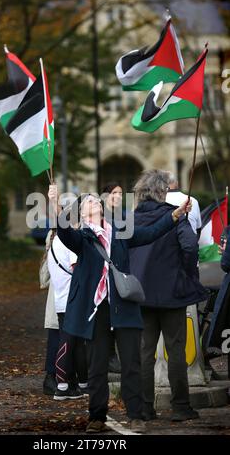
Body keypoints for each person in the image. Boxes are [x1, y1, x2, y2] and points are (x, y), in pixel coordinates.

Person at [48, 182, 192, 434]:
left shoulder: (120, 232)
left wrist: (175, 215)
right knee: (97, 367)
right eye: (88, 201)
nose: (93, 201)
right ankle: (97, 416)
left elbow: (150, 233)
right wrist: (54, 202)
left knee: (132, 364)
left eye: (95, 199)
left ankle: (136, 415)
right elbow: (63, 231)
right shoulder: (81, 238)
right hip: (96, 312)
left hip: (123, 307)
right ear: (81, 213)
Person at [129, 169, 208, 422]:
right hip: (173, 291)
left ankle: (144, 408)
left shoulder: (130, 220)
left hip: (140, 294)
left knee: (144, 352)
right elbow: (189, 246)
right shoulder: (174, 217)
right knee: (176, 350)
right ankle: (181, 406)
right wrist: (186, 274)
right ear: (162, 191)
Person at [48, 228, 88, 400]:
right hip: (71, 299)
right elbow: (77, 268)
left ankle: (79, 385)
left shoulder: (55, 242)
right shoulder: (68, 243)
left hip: (62, 299)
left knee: (75, 343)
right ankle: (63, 386)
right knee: (69, 342)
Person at [102, 182, 124, 374]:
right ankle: (109, 355)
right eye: (114, 193)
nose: (118, 196)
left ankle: (117, 354)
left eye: (121, 193)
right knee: (107, 317)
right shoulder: (102, 217)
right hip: (105, 274)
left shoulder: (124, 217)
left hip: (120, 272)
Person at [40, 230, 60, 396]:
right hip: (60, 289)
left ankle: (56, 376)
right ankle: (51, 375)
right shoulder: (55, 234)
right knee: (56, 332)